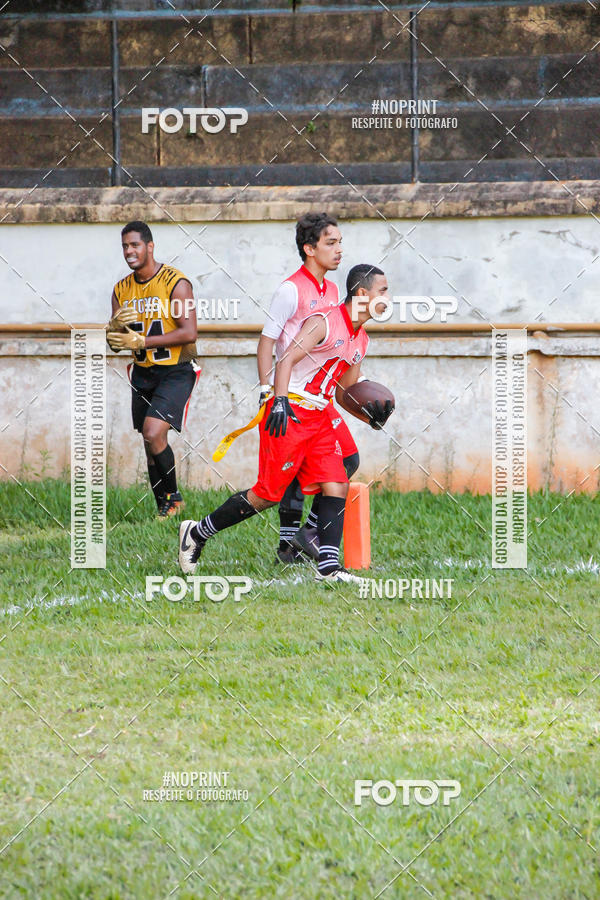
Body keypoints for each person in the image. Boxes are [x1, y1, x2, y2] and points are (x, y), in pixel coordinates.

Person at [178, 266, 393, 584]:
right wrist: (277, 401)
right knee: (267, 495)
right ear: (363, 295)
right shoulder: (325, 321)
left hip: (319, 416)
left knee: (336, 483)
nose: (388, 298)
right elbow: (287, 359)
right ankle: (197, 532)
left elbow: (344, 391)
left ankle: (329, 568)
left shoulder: (361, 339)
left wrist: (370, 417)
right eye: (383, 290)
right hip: (290, 409)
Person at [256, 211, 360, 564]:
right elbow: (267, 342)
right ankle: (290, 544)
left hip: (320, 396)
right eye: (331, 243)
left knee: (349, 460)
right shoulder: (290, 289)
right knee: (281, 481)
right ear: (309, 249)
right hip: (291, 393)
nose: (339, 249)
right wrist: (268, 391)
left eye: (340, 242)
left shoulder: (331, 289)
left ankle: (308, 533)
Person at [107, 221, 200, 519]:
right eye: (125, 246)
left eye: (135, 245)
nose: (129, 251)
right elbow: (116, 339)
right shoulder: (122, 289)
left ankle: (175, 499)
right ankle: (163, 507)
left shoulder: (176, 282)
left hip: (176, 369)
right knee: (150, 442)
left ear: (150, 246)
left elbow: (189, 332)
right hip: (143, 372)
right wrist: (114, 333)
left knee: (153, 430)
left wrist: (142, 340)